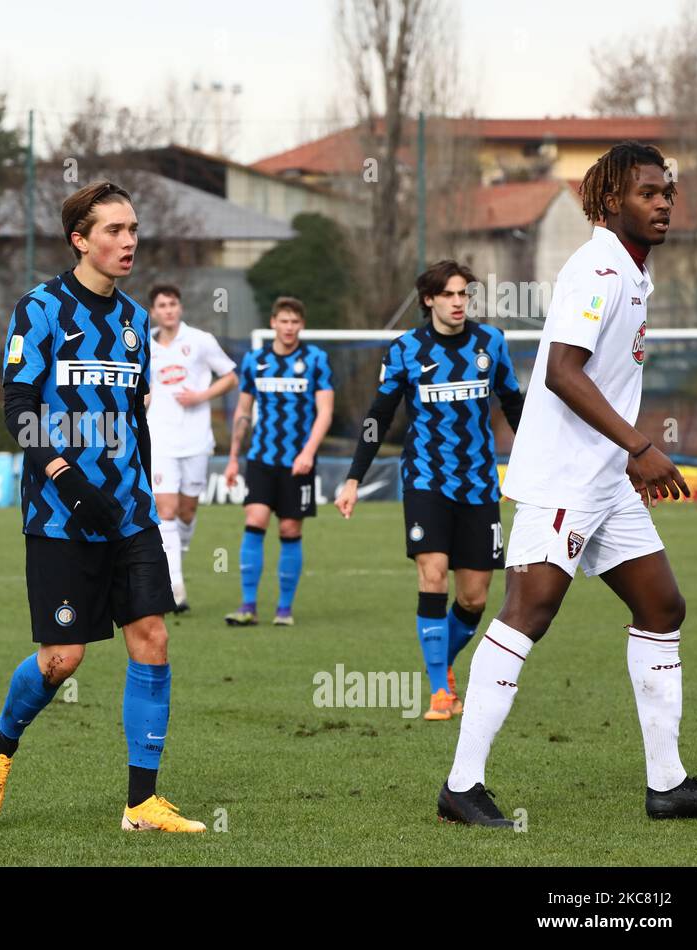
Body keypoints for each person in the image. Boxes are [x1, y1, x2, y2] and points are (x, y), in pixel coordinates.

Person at [437, 141, 697, 826]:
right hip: (565, 478)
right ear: (612, 198)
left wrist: (625, 456)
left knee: (662, 607)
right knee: (528, 614)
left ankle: (668, 784)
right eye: (647, 192)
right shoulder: (597, 267)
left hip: (606, 478)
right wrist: (639, 446)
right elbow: (562, 371)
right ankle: (461, 787)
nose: (662, 202)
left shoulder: (630, 269)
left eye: (666, 191)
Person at [0, 180, 205, 833]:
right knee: (63, 657)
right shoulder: (40, 309)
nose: (128, 242)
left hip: (129, 512)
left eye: (133, 230)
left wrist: (142, 488)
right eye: (113, 231)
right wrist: (70, 480)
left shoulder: (134, 321)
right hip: (59, 513)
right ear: (80, 239)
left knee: (151, 638)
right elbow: (18, 411)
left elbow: (135, 415)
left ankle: (141, 803)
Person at [335, 261, 523, 720]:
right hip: (425, 480)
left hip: (479, 484)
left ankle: (445, 666)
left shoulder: (490, 343)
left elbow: (515, 405)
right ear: (429, 299)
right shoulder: (406, 349)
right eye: (450, 295)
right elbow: (380, 415)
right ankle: (440, 691)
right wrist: (354, 477)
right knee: (433, 574)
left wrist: (534, 466)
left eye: (464, 295)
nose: (459, 302)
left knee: (474, 596)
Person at [223, 297, 334, 627]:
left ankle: (284, 609)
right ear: (273, 323)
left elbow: (325, 411)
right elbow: (243, 412)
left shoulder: (315, 360)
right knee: (255, 519)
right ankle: (247, 606)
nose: (289, 327)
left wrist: (308, 453)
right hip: (261, 459)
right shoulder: (255, 361)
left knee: (289, 528)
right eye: (283, 321)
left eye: (295, 322)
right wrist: (232, 458)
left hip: (298, 461)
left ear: (302, 325)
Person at [145, 283, 238, 612]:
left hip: (196, 439)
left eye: (173, 304)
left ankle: (175, 560)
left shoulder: (200, 341)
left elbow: (230, 376)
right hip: (160, 439)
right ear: (154, 311)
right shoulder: (143, 345)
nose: (168, 310)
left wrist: (201, 396)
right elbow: (143, 386)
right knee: (165, 510)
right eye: (162, 305)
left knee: (186, 512)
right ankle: (174, 586)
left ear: (180, 308)